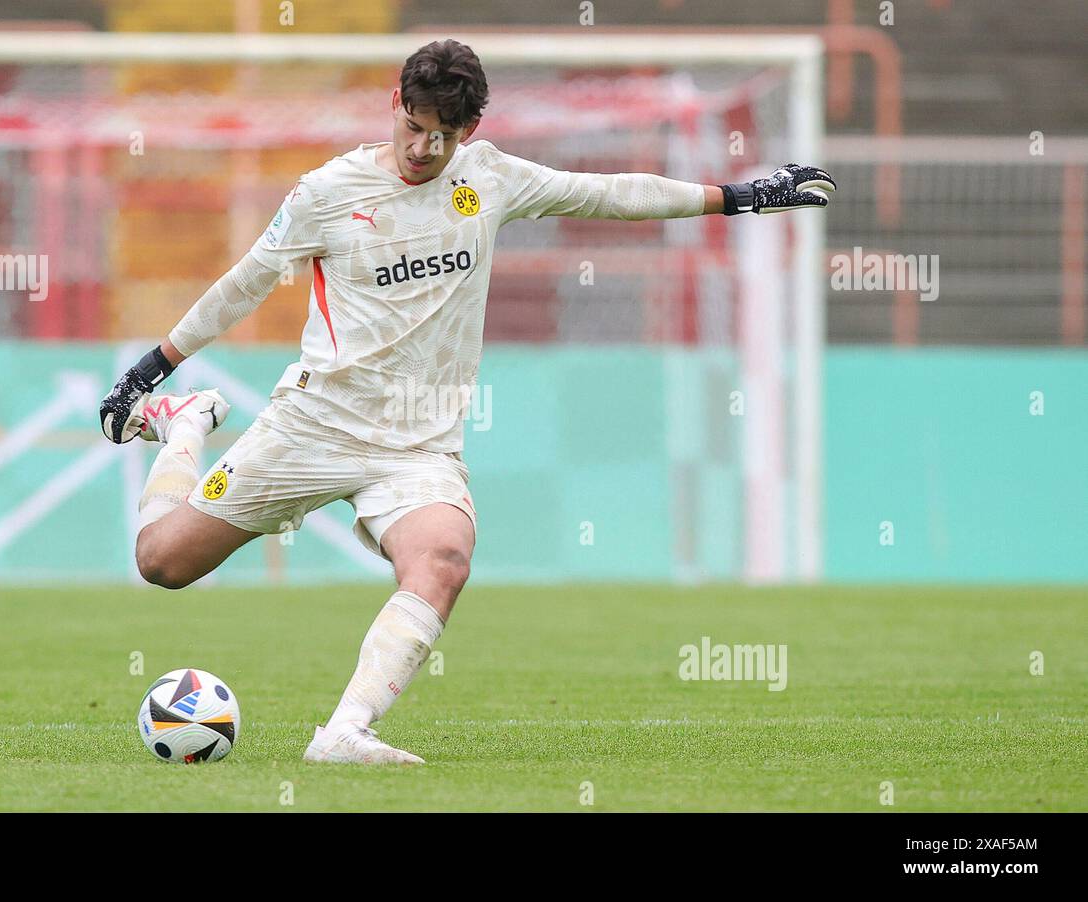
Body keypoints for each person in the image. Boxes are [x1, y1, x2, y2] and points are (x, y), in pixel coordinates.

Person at [100, 39, 836, 764]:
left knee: (444, 558)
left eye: (443, 136)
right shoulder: (327, 194)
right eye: (414, 126)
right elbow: (243, 284)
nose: (424, 147)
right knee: (162, 563)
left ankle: (345, 732)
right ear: (394, 104)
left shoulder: (490, 180)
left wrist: (741, 197)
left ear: (470, 131)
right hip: (313, 424)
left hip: (417, 446)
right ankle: (184, 429)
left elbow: (608, 193)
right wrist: (152, 371)